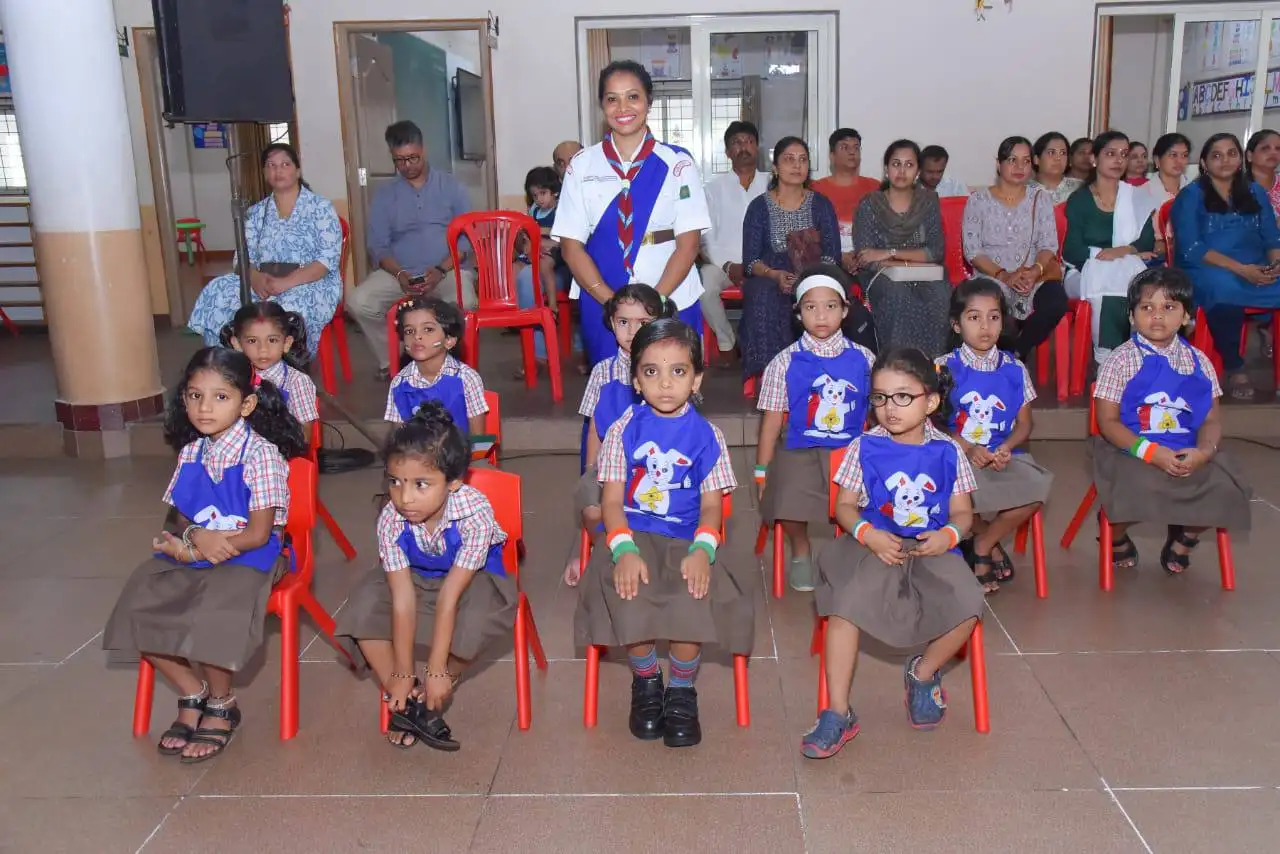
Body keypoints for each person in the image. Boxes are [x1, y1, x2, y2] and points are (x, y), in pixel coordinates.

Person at [102, 348, 306, 762]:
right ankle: (192, 692)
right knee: (142, 596)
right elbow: (177, 516)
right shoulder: (192, 452)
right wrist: (193, 538)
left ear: (246, 403)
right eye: (195, 396)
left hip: (252, 553)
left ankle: (222, 703)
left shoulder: (261, 454)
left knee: (215, 606)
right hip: (199, 549)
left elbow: (259, 532)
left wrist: (200, 546)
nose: (204, 407)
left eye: (220, 397)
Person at [574, 319, 753, 748]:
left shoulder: (709, 436)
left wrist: (702, 550)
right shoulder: (622, 430)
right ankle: (647, 679)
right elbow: (612, 503)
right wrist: (623, 550)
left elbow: (712, 506)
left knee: (691, 598)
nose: (665, 383)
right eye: (652, 372)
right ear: (636, 381)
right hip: (631, 535)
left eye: (679, 371)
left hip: (688, 540)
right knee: (626, 597)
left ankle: (682, 689)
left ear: (696, 380)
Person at [802, 348, 983, 759]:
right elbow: (843, 508)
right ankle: (838, 711)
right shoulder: (863, 446)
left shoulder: (950, 451)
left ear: (931, 401)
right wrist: (868, 535)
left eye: (903, 396)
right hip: (875, 544)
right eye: (880, 398)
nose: (890, 408)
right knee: (845, 607)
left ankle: (922, 673)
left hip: (931, 548)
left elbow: (963, 514)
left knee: (969, 604)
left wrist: (950, 536)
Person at [335, 401, 516, 750]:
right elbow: (402, 599)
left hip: (470, 580)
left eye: (421, 484)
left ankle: (437, 688)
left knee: (479, 618)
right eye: (396, 482)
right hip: (414, 578)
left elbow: (451, 595)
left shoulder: (473, 512)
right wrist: (402, 673)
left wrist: (437, 669)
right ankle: (409, 701)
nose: (405, 498)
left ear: (452, 482)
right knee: (363, 605)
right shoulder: (390, 517)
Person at [1091, 268, 1251, 575]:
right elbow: (1108, 423)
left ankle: (1186, 537)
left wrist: (1203, 452)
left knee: (1229, 487)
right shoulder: (1120, 360)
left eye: (1169, 308)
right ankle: (1116, 531)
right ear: (1131, 316)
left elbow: (1211, 419)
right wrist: (1152, 453)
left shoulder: (1200, 361)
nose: (1157, 317)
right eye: (1146, 308)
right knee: (1138, 488)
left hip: (1185, 445)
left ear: (1186, 316)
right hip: (1129, 447)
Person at [554, 60, 710, 368]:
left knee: (671, 391)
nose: (622, 107)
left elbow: (689, 245)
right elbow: (571, 248)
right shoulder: (582, 165)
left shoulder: (678, 163)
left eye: (633, 96)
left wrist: (653, 305)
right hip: (602, 296)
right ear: (602, 105)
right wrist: (615, 307)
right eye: (612, 98)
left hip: (671, 295)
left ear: (649, 101)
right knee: (611, 394)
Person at [755, 269, 875, 592]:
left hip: (850, 452)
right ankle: (801, 548)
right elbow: (771, 423)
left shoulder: (865, 359)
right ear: (798, 313)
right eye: (810, 307)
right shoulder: (784, 361)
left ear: (845, 310)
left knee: (874, 493)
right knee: (784, 496)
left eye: (830, 306)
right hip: (801, 450)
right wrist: (761, 470)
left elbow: (879, 416)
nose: (821, 315)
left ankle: (850, 551)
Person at [938, 280, 1053, 594]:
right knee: (949, 488)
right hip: (957, 456)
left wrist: (1006, 447)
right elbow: (931, 426)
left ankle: (983, 542)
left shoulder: (1015, 369)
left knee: (1038, 489)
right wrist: (968, 447)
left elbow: (1025, 424)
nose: (985, 326)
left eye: (994, 317)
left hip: (1003, 455)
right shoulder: (942, 368)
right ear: (956, 325)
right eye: (974, 318)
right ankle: (984, 540)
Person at [187, 144, 342, 358]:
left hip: (309, 282)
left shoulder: (321, 208)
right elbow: (240, 258)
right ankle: (229, 362)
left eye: (285, 164)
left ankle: (283, 369)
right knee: (219, 291)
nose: (278, 171)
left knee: (282, 310)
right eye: (271, 165)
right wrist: (254, 277)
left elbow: (326, 261)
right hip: (263, 281)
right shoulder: (256, 212)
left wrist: (285, 283)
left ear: (297, 170)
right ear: (264, 173)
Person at [348, 121, 476, 380]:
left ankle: (448, 361)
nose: (407, 165)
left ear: (424, 150)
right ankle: (394, 359)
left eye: (413, 158)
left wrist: (441, 270)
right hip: (401, 273)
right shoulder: (385, 196)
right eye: (400, 160)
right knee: (359, 301)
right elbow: (378, 246)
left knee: (467, 302)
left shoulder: (451, 187)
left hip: (447, 269)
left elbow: (467, 241)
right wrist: (400, 274)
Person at [565, 284, 673, 587]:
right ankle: (601, 551)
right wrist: (590, 470)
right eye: (623, 322)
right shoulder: (602, 372)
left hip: (655, 468)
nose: (631, 331)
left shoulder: (670, 371)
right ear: (612, 323)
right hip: (608, 467)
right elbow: (595, 429)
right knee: (591, 506)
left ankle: (649, 556)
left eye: (643, 323)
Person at [1172, 132, 1280, 400]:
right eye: (1216, 155)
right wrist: (1242, 270)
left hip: (1256, 266)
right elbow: (1191, 247)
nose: (1225, 160)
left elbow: (1271, 236)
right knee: (1221, 288)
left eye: (1231, 153)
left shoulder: (1255, 192)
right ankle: (1235, 366)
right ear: (1205, 163)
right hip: (1204, 267)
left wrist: (1276, 264)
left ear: (1241, 159)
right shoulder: (1191, 196)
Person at [739, 137, 842, 380]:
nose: (797, 166)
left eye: (803, 160)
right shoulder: (759, 206)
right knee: (763, 296)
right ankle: (771, 376)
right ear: (775, 167)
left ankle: (815, 373)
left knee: (820, 296)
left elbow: (833, 253)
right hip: (771, 275)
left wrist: (808, 279)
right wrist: (774, 275)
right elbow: (750, 260)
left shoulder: (820, 204)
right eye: (789, 159)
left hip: (816, 273)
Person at [962, 135, 1068, 360]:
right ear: (998, 164)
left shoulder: (1040, 199)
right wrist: (1004, 275)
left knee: (1055, 300)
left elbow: (1048, 244)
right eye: (1012, 160)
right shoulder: (979, 200)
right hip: (992, 276)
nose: (1020, 167)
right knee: (993, 309)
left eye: (1026, 161)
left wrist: (1035, 271)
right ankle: (996, 359)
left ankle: (1018, 352)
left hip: (1033, 276)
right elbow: (972, 250)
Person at [1063, 130, 1158, 363]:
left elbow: (1146, 241)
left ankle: (1123, 356)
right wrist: (1111, 255)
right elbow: (1072, 250)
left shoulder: (1136, 198)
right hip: (1080, 273)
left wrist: (1120, 252)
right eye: (1110, 154)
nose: (1118, 160)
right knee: (1108, 275)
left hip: (1126, 271)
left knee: (1123, 277)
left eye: (1124, 154)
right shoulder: (1080, 201)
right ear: (1094, 159)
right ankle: (1109, 358)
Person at [853, 139, 949, 358]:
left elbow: (936, 251)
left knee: (940, 294)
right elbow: (866, 256)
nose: (902, 171)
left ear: (917, 172)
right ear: (886, 169)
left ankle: (930, 366)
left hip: (926, 275)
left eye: (909, 165)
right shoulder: (870, 204)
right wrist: (913, 258)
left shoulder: (928, 202)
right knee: (898, 294)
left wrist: (889, 253)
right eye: (896, 164)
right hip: (880, 276)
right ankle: (896, 364)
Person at [699, 120, 770, 360]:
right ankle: (727, 343)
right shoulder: (713, 188)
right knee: (704, 284)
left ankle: (765, 346)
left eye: (749, 142)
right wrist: (727, 265)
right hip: (724, 264)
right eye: (737, 143)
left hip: (764, 263)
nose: (744, 147)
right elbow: (706, 236)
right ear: (728, 151)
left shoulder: (772, 184)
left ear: (757, 147)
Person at [384, 296, 488, 434]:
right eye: (409, 331)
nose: (417, 336)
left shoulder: (467, 378)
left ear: (449, 340)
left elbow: (478, 440)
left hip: (461, 454)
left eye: (428, 329)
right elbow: (399, 441)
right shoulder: (399, 384)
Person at [221, 303, 317, 434]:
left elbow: (304, 435)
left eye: (272, 340)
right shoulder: (228, 378)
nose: (263, 350)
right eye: (252, 341)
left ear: (286, 343)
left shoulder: (297, 382)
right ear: (237, 344)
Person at [513, 165, 562, 375]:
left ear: (554, 192)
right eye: (534, 195)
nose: (539, 199)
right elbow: (524, 234)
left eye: (542, 193)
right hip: (533, 252)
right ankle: (516, 312)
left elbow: (561, 237)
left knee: (543, 268)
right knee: (514, 269)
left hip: (553, 255)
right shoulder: (534, 210)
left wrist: (539, 234)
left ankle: (551, 307)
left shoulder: (560, 209)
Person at [812, 128, 881, 273]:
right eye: (844, 147)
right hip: (828, 261)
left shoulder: (876, 188)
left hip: (870, 259)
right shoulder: (815, 189)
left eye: (856, 148)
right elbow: (810, 236)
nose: (852, 152)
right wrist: (838, 256)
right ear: (832, 155)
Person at [1136, 132, 1192, 228]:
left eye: (1184, 155)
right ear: (1157, 160)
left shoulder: (1194, 191)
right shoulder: (1141, 193)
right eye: (1173, 155)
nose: (1179, 161)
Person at [1029, 132, 1084, 206]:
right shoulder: (1023, 190)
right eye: (1051, 152)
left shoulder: (1081, 188)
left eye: (1063, 153)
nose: (1058, 158)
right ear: (1036, 159)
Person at [1245, 129, 1280, 220]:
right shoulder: (1236, 188)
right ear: (1249, 156)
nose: (1273, 152)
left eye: (1278, 149)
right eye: (1265, 148)